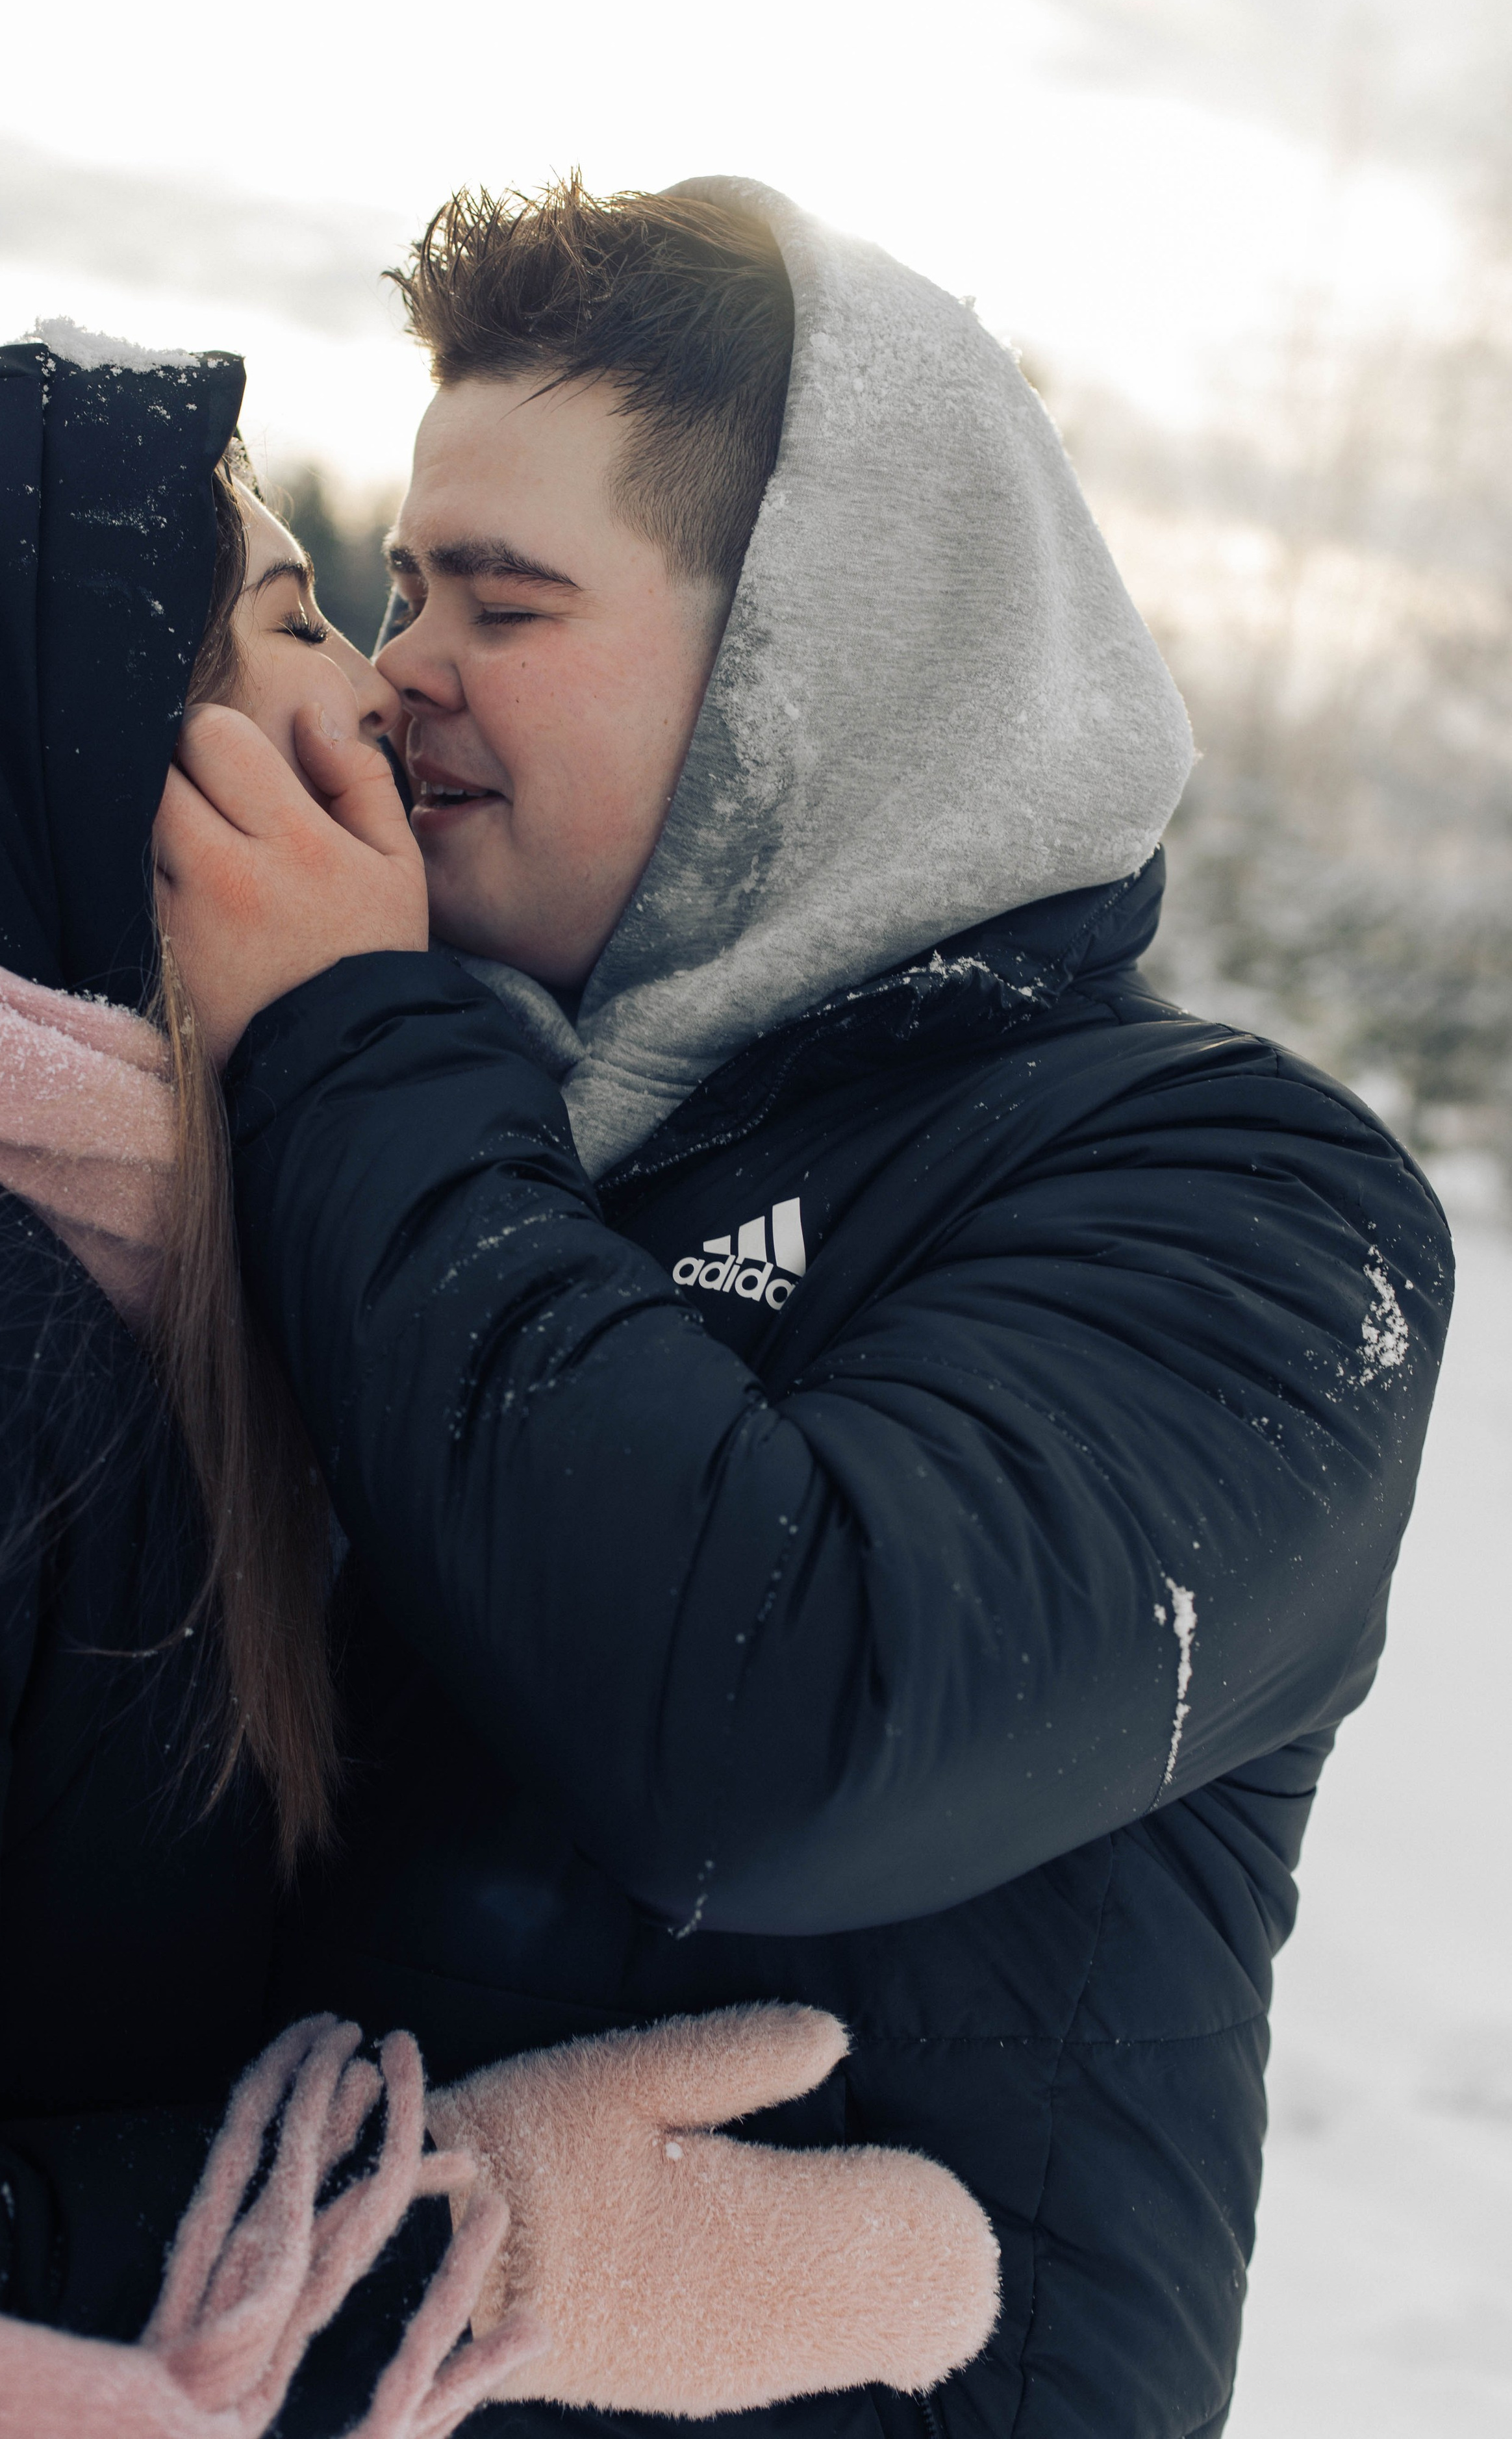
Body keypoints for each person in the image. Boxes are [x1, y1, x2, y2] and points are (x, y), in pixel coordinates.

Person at [155, 177, 1454, 2439]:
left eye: (507, 598)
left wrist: (362, 1048)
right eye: (398, 584)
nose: (394, 673)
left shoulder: (1241, 1193)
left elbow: (792, 1722)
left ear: (809, 659)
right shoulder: (468, 1123)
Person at [0, 329, 999, 2438]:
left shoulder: (112, 1254)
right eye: (301, 616)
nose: (376, 685)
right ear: (90, 733)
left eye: (478, 603)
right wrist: (470, 2244)